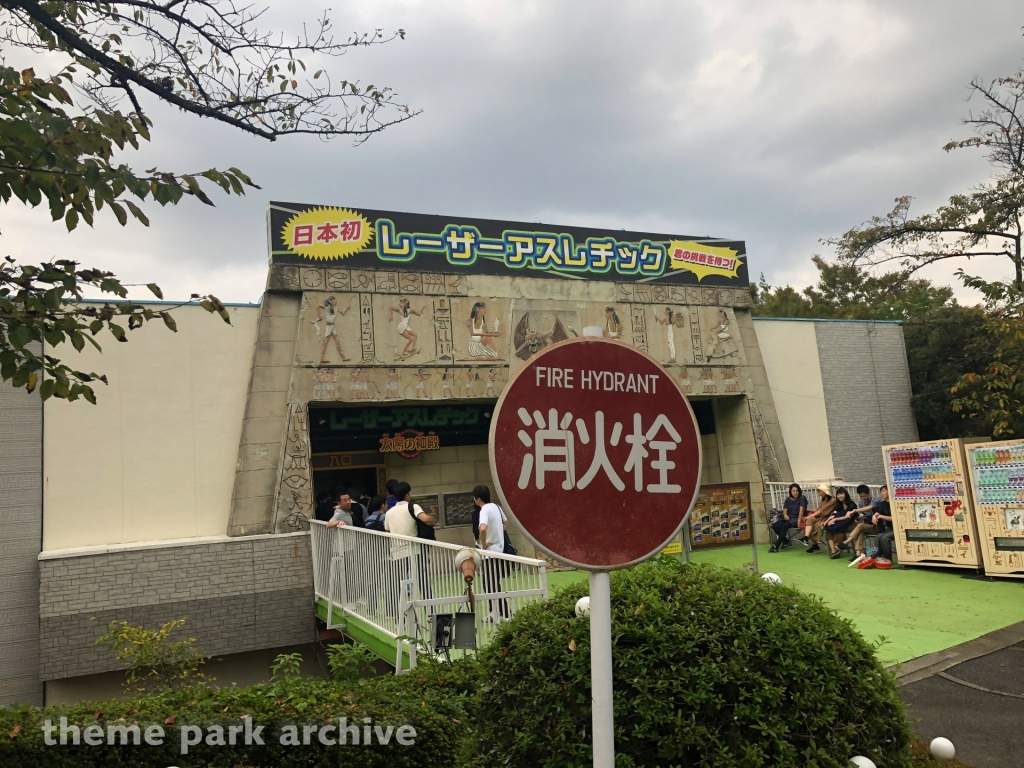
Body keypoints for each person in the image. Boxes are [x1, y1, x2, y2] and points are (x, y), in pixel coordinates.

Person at [385, 482, 437, 609]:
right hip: (414, 550)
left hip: (397, 552)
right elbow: (424, 518)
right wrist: (433, 519)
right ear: (407, 495)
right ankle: (430, 612)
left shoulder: (389, 512)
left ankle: (397, 615)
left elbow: (387, 531)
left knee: (397, 585)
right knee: (423, 583)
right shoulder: (413, 507)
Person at [473, 485, 509, 620]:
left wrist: (484, 544)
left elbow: (482, 529)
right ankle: (494, 612)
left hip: (490, 553)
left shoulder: (484, 510)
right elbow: (506, 522)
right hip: (499, 550)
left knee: (491, 584)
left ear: (478, 499)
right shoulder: (496, 507)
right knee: (490, 583)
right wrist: (498, 534)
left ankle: (505, 613)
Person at [840, 484, 886, 561]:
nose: (863, 498)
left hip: (879, 526)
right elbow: (863, 514)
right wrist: (858, 519)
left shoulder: (876, 500)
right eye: (861, 496)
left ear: (869, 493)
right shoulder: (861, 502)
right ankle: (858, 554)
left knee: (861, 527)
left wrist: (855, 510)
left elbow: (869, 507)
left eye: (864, 496)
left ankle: (846, 542)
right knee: (860, 530)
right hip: (869, 525)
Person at [770, 483, 806, 553]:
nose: (795, 492)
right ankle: (785, 541)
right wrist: (785, 515)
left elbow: (802, 510)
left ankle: (776, 546)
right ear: (790, 492)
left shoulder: (802, 498)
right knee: (775, 525)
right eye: (794, 491)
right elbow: (785, 510)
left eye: (797, 491)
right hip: (789, 518)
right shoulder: (788, 500)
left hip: (797, 518)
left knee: (784, 526)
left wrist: (799, 521)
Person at [802, 483, 837, 554]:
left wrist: (812, 515)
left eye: (820, 491)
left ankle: (814, 545)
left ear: (825, 491)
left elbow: (822, 510)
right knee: (809, 520)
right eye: (819, 491)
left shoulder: (832, 500)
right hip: (820, 517)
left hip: (827, 519)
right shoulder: (822, 500)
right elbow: (818, 510)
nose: (819, 493)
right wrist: (811, 516)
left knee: (812, 525)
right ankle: (806, 538)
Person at [823, 487, 857, 559]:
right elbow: (833, 514)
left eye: (841, 494)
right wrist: (827, 521)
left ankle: (837, 549)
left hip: (851, 523)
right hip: (841, 523)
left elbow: (848, 517)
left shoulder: (852, 504)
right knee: (829, 529)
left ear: (846, 494)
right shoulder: (839, 505)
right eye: (838, 494)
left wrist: (835, 519)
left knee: (838, 530)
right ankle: (834, 551)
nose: (839, 496)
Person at [873, 486, 895, 568]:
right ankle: (877, 557)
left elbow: (895, 518)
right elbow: (878, 512)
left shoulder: (895, 503)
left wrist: (881, 516)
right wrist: (874, 516)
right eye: (881, 492)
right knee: (878, 536)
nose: (882, 493)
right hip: (889, 528)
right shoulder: (883, 503)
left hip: (897, 528)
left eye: (884, 491)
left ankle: (888, 560)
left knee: (885, 538)